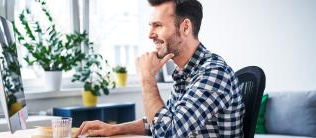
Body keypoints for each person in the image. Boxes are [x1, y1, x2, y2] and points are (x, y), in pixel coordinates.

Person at [74, 0, 245, 137]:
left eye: (158, 25)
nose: (150, 34)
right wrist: (113, 129)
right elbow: (159, 123)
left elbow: (168, 132)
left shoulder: (213, 73)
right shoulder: (185, 72)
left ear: (185, 27)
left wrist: (147, 78)